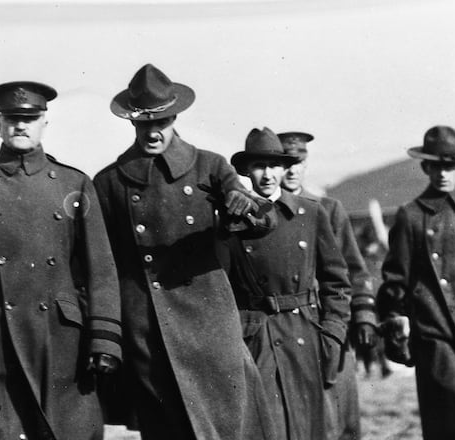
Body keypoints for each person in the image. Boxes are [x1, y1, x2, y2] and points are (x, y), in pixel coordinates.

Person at [0, 81, 122, 440]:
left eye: (30, 118)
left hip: (60, 339)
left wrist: (104, 338)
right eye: (12, 119)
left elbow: (101, 270)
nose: (21, 126)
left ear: (45, 122)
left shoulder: (73, 184)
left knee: (69, 431)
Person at [93, 63, 278, 440]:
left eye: (160, 121)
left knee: (227, 418)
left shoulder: (208, 166)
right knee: (167, 424)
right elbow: (100, 263)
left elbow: (261, 216)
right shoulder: (109, 182)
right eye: (144, 123)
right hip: (147, 322)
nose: (152, 131)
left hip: (208, 316)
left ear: (175, 117)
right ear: (132, 123)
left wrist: (242, 209)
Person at [226, 127, 352, 440]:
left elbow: (337, 282)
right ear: (246, 171)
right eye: (258, 166)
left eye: (273, 165)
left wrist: (333, 334)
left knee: (309, 427)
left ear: (284, 168)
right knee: (268, 428)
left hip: (306, 335)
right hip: (258, 336)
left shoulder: (310, 213)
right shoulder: (232, 222)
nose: (267, 174)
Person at [278, 131, 378, 440]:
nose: (292, 170)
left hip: (329, 324)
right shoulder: (261, 212)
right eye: (285, 163)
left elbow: (354, 270)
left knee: (338, 415)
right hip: (285, 329)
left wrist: (363, 315)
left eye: (299, 162)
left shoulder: (327, 209)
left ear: (306, 164)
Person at [377, 125, 455, 439]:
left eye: (449, 165)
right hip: (435, 333)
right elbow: (395, 279)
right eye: (436, 166)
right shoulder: (411, 216)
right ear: (425, 167)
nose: (443, 173)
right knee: (452, 420)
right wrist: (393, 320)